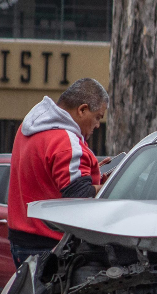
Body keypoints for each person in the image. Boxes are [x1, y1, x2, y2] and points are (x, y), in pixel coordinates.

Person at [7, 78, 109, 267]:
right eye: (98, 117)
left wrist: (94, 176)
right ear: (82, 110)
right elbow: (79, 195)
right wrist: (109, 186)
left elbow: (44, 178)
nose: (97, 125)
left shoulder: (28, 129)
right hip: (50, 244)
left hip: (21, 239)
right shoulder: (65, 141)